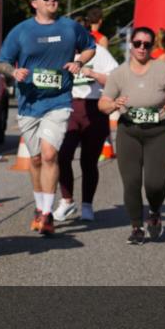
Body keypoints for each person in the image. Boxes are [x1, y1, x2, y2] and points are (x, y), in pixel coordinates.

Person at [0, 0, 96, 235]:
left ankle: (47, 212)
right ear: (35, 3)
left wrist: (78, 61)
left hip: (59, 101)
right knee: (36, 158)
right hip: (29, 102)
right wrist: (14, 71)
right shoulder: (21, 31)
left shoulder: (70, 26)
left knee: (50, 154)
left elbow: (90, 47)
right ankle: (39, 206)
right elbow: (2, 62)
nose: (52, 0)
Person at [99, 27, 165, 245]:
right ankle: (136, 226)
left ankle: (155, 211)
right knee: (131, 183)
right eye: (137, 43)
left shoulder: (164, 70)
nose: (141, 48)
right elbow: (103, 102)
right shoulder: (119, 73)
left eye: (146, 44)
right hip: (129, 132)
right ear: (131, 44)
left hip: (159, 132)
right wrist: (112, 105)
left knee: (155, 184)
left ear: (152, 46)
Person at [53, 17, 119, 223]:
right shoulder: (60, 50)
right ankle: (66, 200)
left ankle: (88, 205)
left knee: (89, 161)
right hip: (68, 106)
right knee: (63, 155)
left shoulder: (99, 51)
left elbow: (116, 79)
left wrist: (93, 73)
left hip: (94, 107)